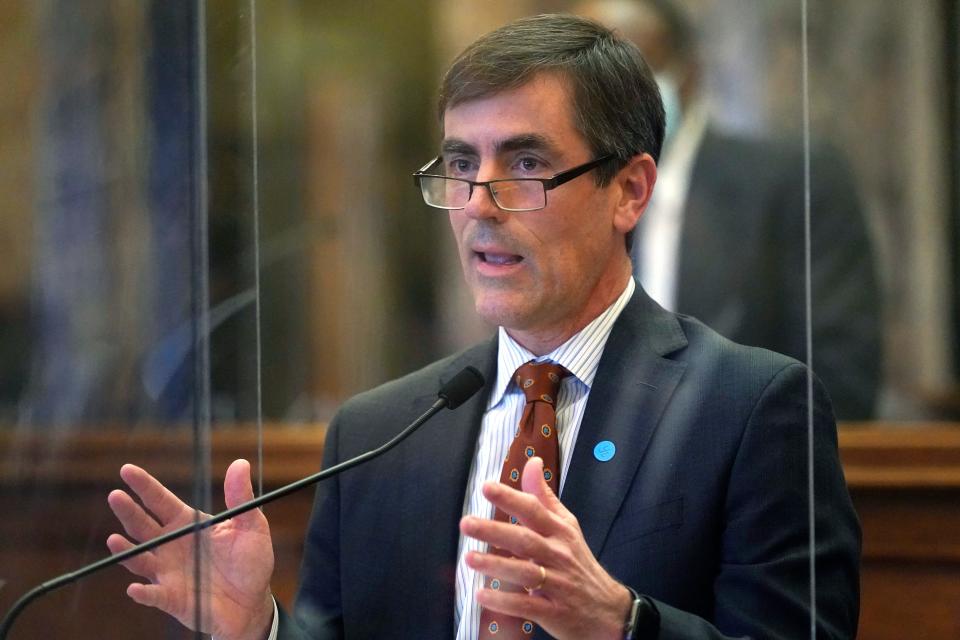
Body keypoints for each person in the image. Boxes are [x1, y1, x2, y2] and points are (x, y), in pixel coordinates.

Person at [107, 13, 860, 640]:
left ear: (629, 191)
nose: (478, 204)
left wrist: (621, 623)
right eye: (462, 166)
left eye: (525, 164)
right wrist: (257, 628)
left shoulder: (751, 409)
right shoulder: (377, 432)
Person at [576, 0, 883, 420]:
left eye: (621, 84)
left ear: (689, 72)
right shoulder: (564, 196)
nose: (603, 110)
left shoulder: (791, 180)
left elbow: (838, 380)